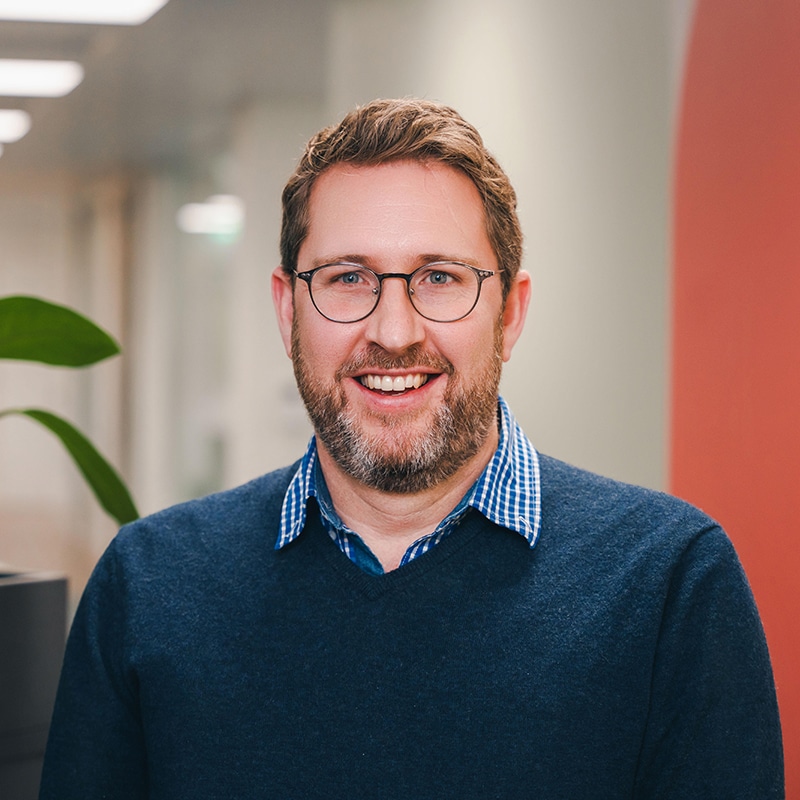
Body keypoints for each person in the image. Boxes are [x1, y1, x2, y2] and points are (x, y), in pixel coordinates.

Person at [40, 98, 783, 799]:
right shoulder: (146, 589)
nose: (393, 330)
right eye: (348, 278)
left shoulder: (671, 586)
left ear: (511, 313)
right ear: (286, 309)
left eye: (438, 277)